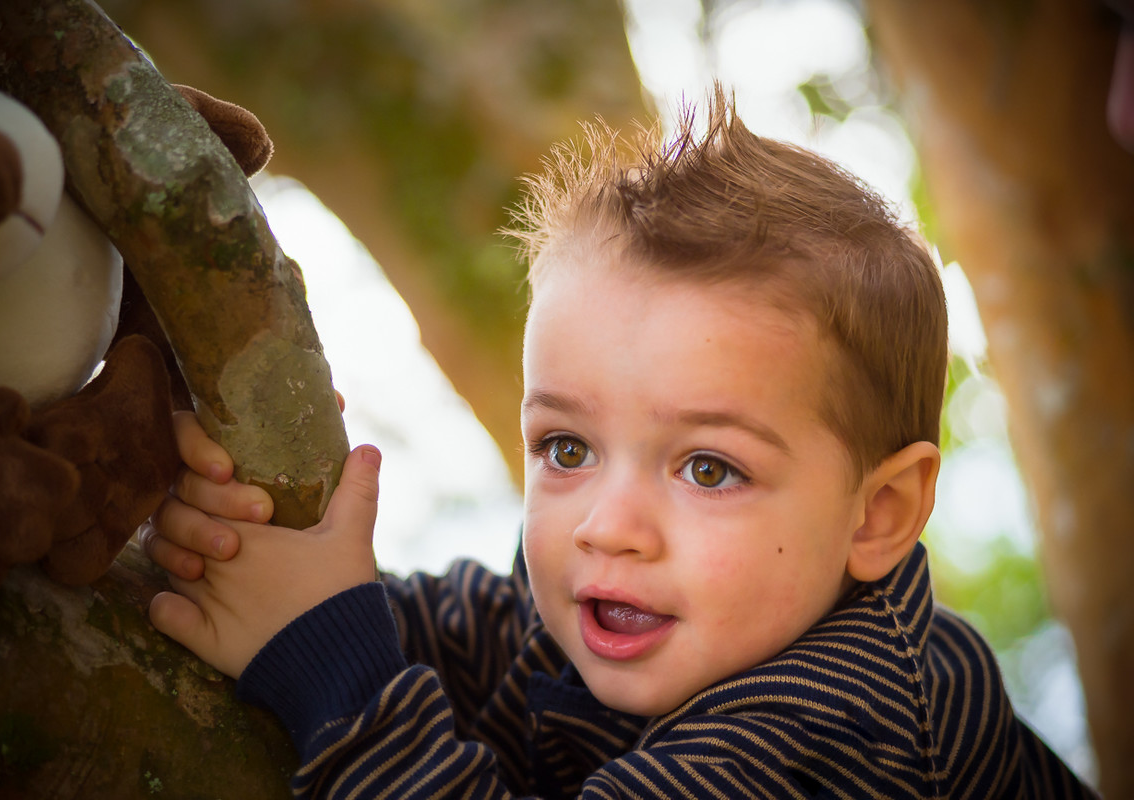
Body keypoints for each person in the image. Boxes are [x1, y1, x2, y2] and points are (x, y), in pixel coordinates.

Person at [140, 92, 1098, 798]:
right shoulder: (624, 596)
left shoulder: (849, 719)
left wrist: (332, 668)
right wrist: (258, 562)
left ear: (877, 513)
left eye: (709, 468)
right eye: (565, 448)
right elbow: (455, 630)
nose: (608, 526)